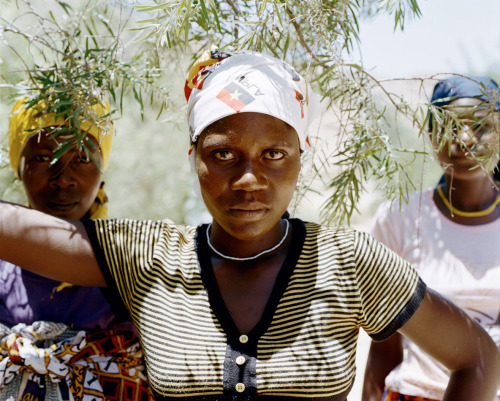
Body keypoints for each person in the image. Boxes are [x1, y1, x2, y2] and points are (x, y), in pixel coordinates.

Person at [0, 51, 499, 401]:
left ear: (302, 156)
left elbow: (477, 358)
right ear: (192, 156)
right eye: (222, 154)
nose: (248, 179)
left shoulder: (349, 262)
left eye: (273, 154)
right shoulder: (149, 259)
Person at [0, 99, 154, 400]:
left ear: (102, 170)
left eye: (82, 158)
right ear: (19, 167)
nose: (63, 178)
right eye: (43, 158)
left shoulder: (132, 265)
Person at [361, 75, 500, 401]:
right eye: (449, 126)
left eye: (480, 127)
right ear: (430, 134)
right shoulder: (400, 217)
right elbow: (385, 340)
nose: (464, 138)